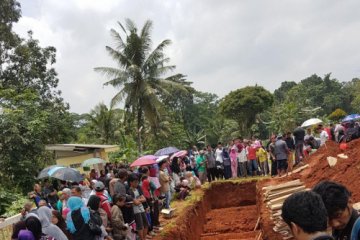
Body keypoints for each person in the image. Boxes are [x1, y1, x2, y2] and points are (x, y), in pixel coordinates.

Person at [127, 173, 149, 240]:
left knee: (146, 224)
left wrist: (137, 200)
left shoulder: (138, 189)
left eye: (137, 182)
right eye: (135, 182)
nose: (137, 183)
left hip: (141, 208)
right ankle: (142, 238)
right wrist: (139, 200)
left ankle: (144, 238)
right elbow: (136, 203)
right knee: (140, 226)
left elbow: (144, 199)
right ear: (131, 182)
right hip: (136, 210)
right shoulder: (129, 191)